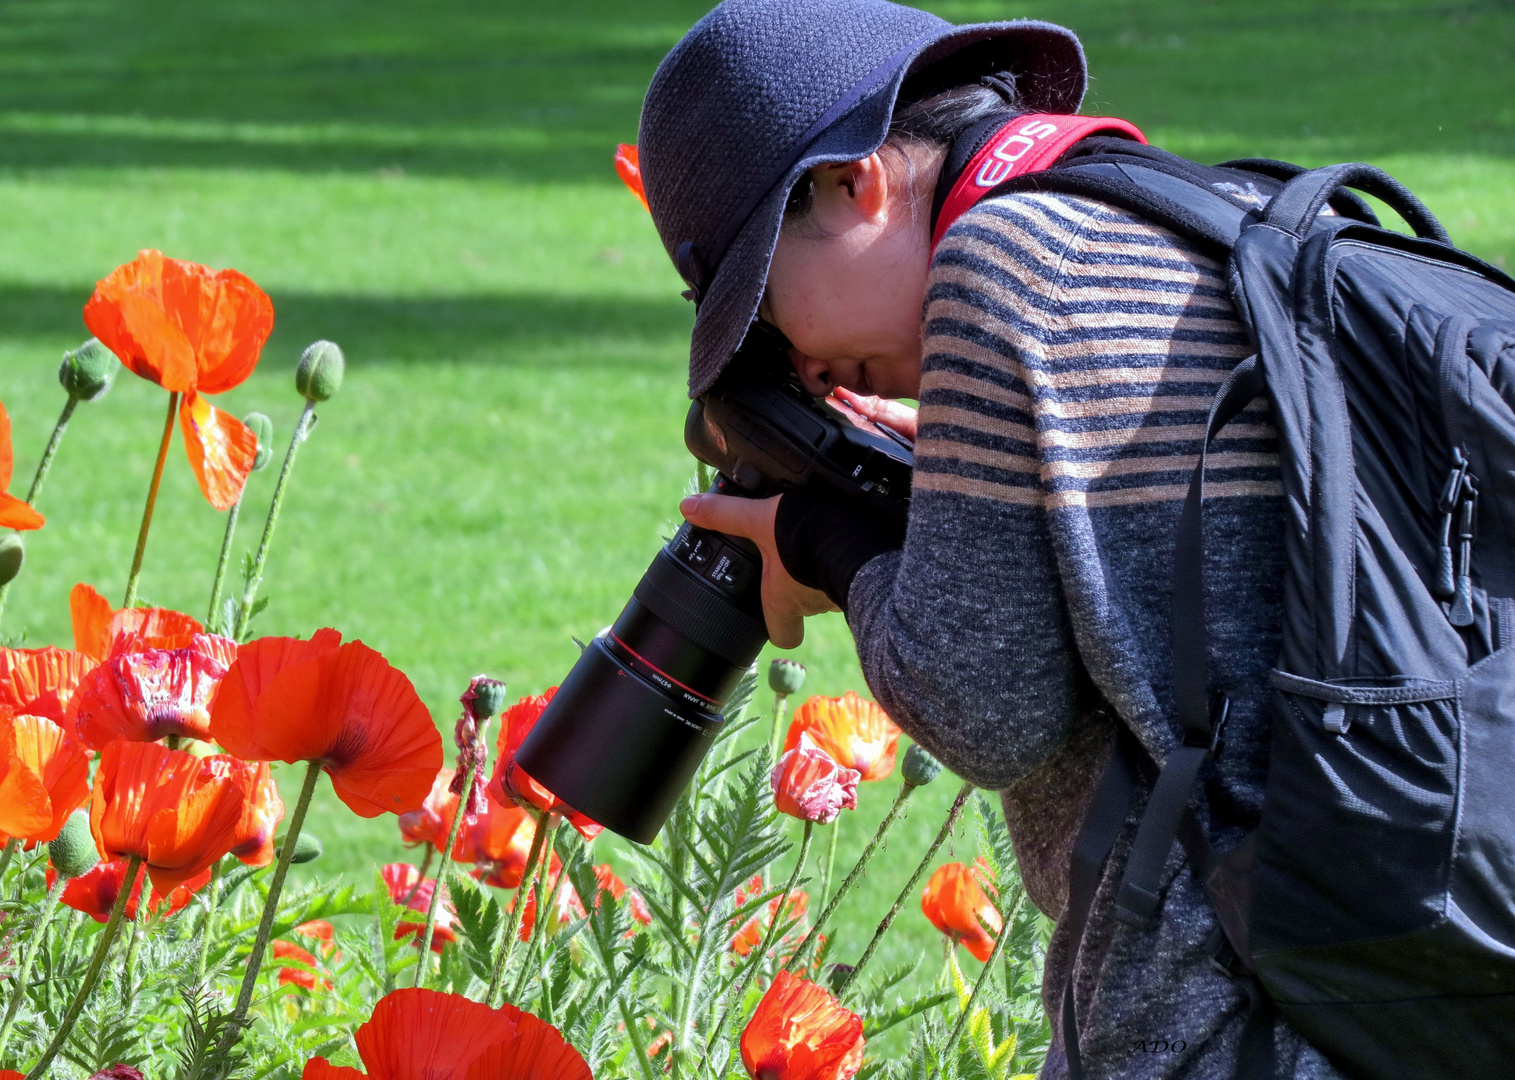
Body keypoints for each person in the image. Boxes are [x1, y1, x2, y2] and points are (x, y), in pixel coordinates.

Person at [635, 1, 1342, 1077]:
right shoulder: (1168, 212)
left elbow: (984, 705)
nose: (805, 375)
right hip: (1384, 969)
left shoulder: (1000, 254)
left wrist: (819, 538)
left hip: (1226, 1012)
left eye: (765, 313)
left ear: (856, 183)